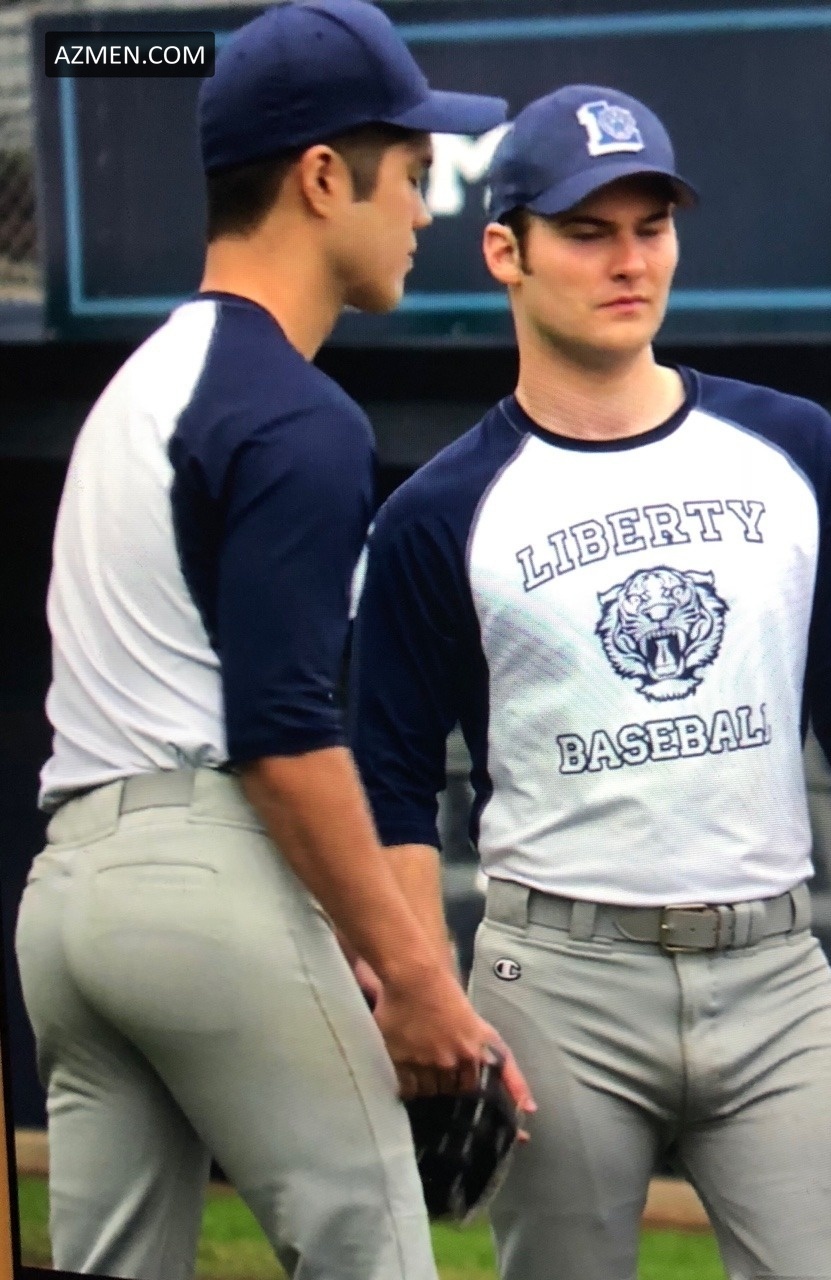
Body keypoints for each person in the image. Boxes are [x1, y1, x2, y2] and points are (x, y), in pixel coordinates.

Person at [13, 4, 532, 1278]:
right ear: (319, 177)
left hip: (68, 899)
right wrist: (417, 975)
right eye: (411, 171)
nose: (424, 208)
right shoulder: (297, 414)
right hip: (204, 872)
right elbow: (283, 738)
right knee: (377, 1252)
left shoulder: (139, 384)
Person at [349, 84, 831, 1280]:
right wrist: (425, 995)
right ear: (506, 251)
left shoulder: (792, 449)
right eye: (587, 231)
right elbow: (389, 782)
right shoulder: (438, 512)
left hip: (775, 968)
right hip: (557, 981)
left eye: (651, 226)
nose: (628, 259)